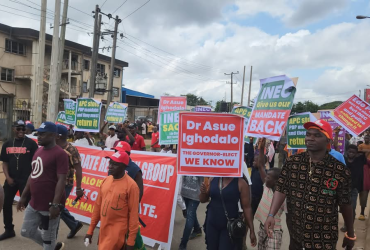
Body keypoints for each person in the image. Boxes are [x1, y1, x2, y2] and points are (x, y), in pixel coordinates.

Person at [265, 119, 355, 250]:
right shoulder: (292, 163)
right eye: (308, 134)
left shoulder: (340, 170)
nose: (310, 138)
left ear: (328, 141)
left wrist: (350, 234)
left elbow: (346, 204)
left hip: (324, 239)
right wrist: (271, 215)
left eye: (317, 135)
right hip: (296, 235)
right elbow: (281, 189)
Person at [17, 122, 69, 250]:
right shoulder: (39, 151)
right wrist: (23, 197)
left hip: (50, 205)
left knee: (48, 237)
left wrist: (55, 205)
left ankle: (49, 246)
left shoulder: (60, 153)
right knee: (26, 231)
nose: (39, 136)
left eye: (42, 134)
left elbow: (62, 180)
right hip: (34, 202)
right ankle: (51, 246)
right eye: (38, 133)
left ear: (53, 135)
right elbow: (32, 175)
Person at [84, 151, 139, 250]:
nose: (110, 166)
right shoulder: (106, 180)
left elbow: (134, 215)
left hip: (117, 234)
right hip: (103, 231)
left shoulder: (131, 186)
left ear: (124, 166)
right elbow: (97, 207)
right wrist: (90, 231)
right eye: (110, 163)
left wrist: (130, 242)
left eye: (115, 164)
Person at [0, 120, 38, 241]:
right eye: (18, 128)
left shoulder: (31, 144)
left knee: (29, 205)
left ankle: (34, 230)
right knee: (6, 204)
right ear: (13, 129)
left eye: (23, 129)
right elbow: (4, 162)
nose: (21, 131)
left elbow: (36, 164)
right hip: (11, 179)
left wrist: (31, 179)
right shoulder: (7, 144)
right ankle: (9, 230)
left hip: (26, 180)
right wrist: (8, 177)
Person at [199, 176, 257, 250]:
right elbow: (203, 199)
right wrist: (203, 192)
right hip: (211, 223)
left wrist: (252, 230)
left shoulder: (241, 183)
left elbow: (247, 207)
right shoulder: (212, 179)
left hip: (229, 227)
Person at [254, 138, 285, 250]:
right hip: (262, 228)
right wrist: (261, 148)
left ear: (276, 181)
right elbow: (261, 166)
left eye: (268, 177)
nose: (265, 178)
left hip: (274, 231)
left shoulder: (283, 196)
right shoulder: (266, 187)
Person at [55, 125, 84, 239]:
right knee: (58, 206)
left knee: (57, 207)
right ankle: (74, 225)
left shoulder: (71, 150)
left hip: (66, 184)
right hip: (54, 183)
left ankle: (52, 238)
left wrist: (78, 188)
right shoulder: (53, 147)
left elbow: (78, 169)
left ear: (59, 136)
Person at [179, 176, 204, 250]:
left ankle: (183, 245)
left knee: (189, 217)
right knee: (191, 213)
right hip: (184, 192)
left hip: (195, 195)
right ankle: (197, 229)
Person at [358, 134, 370, 221]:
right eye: (365, 138)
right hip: (362, 176)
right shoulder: (360, 146)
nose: (366, 139)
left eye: (367, 138)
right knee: (363, 193)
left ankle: (362, 212)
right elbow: (359, 152)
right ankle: (361, 212)